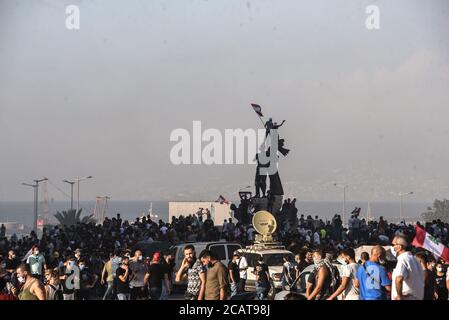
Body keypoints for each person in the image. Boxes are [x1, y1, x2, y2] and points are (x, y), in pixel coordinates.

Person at [391, 235, 424, 300]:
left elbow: (399, 278)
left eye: (393, 245)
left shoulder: (403, 259)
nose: (392, 247)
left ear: (399, 247)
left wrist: (399, 296)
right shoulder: (415, 260)